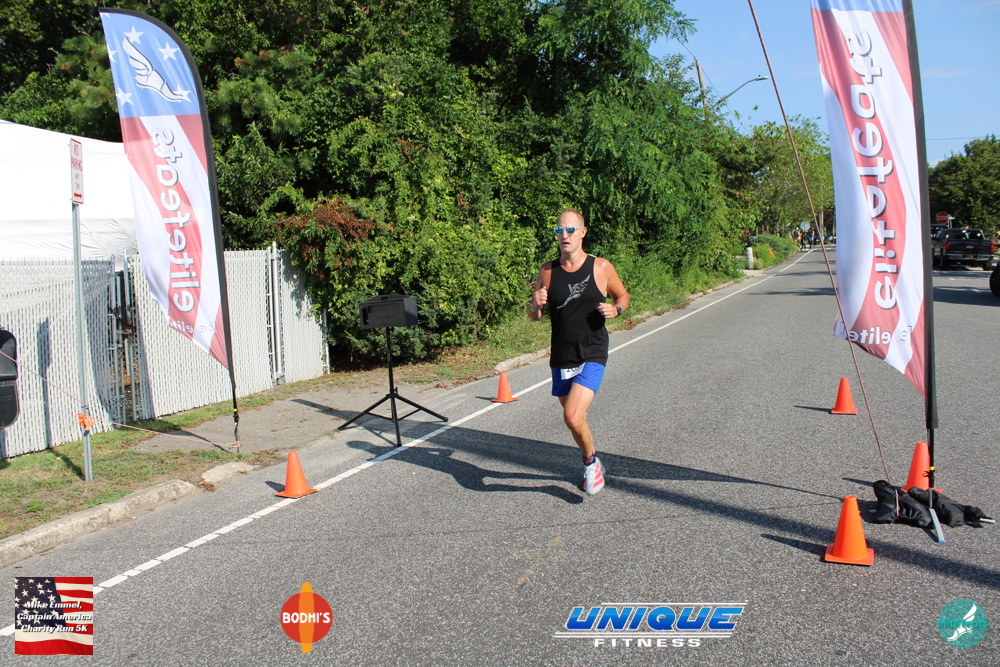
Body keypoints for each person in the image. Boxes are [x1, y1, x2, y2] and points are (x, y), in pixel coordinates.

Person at [528, 208, 630, 495]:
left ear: (582, 233)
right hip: (562, 356)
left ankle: (589, 466)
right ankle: (594, 461)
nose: (565, 235)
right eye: (559, 230)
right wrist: (535, 303)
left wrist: (617, 309)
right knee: (576, 422)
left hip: (592, 353)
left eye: (570, 230)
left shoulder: (600, 267)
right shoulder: (547, 271)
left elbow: (623, 295)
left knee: (572, 416)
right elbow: (535, 316)